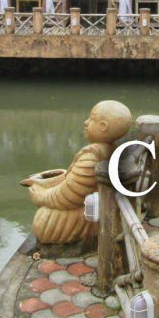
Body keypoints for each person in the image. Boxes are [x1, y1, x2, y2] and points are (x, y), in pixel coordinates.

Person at [21, 100, 132, 244]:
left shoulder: (91, 158)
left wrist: (41, 197)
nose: (86, 122)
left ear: (103, 127)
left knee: (44, 220)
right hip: (101, 204)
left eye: (91, 119)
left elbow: (69, 195)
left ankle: (84, 239)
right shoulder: (110, 148)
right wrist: (43, 182)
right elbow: (71, 179)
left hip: (93, 211)